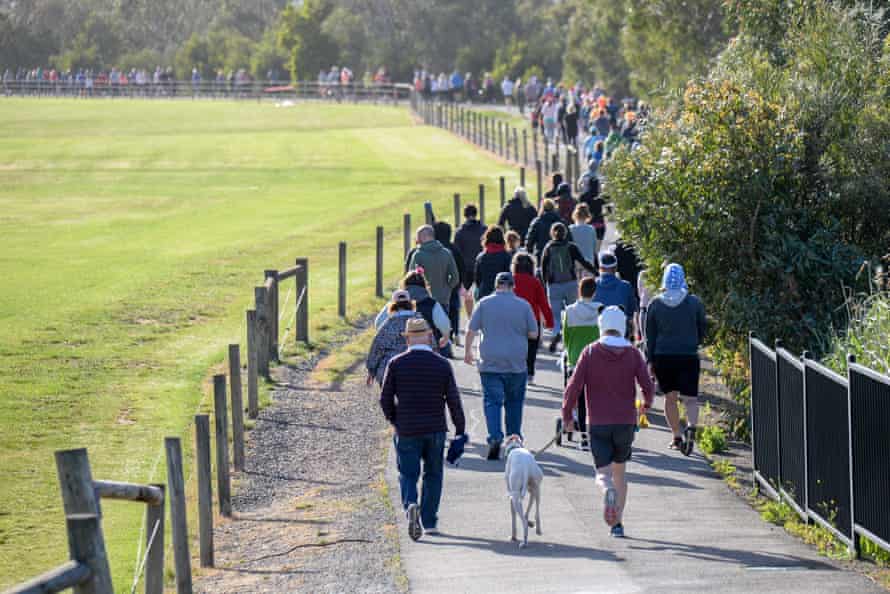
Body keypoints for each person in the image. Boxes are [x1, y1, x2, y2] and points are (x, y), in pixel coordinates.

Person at [562, 306, 654, 537]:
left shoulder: (591, 352)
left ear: (601, 325)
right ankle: (617, 524)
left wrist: (567, 415)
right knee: (621, 473)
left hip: (598, 422)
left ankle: (607, 490)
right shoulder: (633, 353)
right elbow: (647, 384)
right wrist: (647, 403)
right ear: (623, 326)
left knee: (603, 474)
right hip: (625, 422)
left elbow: (573, 387)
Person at [380, 318, 466, 540]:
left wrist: (394, 419)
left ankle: (410, 503)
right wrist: (460, 429)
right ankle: (429, 521)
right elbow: (454, 400)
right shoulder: (442, 364)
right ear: (429, 336)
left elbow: (385, 398)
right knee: (433, 474)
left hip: (407, 427)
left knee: (408, 473)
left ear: (407, 339)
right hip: (435, 428)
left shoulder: (396, 364)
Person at [465, 272, 538, 460]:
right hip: (516, 362)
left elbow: (471, 330)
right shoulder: (523, 305)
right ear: (513, 286)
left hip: (490, 361)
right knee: (514, 402)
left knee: (492, 400)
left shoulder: (484, 304)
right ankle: (513, 440)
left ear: (496, 285)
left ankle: (495, 437)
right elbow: (533, 333)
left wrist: (468, 352)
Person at [645, 264, 707, 455]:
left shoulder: (655, 304)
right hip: (688, 355)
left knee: (670, 399)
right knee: (690, 399)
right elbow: (702, 328)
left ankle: (677, 437)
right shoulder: (694, 302)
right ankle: (691, 426)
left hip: (664, 357)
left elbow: (650, 336)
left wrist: (650, 361)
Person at [561, 277, 603, 447]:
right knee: (592, 398)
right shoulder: (601, 310)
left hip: (575, 359)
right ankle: (592, 430)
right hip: (596, 360)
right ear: (594, 292)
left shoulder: (570, 311)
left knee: (576, 397)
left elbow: (566, 337)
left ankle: (580, 432)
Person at [541, 223, 596, 352]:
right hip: (570, 283)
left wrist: (546, 284)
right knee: (572, 313)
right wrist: (595, 271)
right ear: (565, 233)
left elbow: (543, 268)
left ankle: (557, 334)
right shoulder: (571, 247)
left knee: (555, 316)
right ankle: (571, 340)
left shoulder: (548, 248)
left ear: (552, 233)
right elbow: (583, 262)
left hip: (554, 285)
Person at [376, 270, 450, 350]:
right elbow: (445, 326)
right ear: (424, 285)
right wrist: (445, 339)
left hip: (397, 349)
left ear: (405, 284)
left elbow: (379, 323)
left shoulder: (395, 303)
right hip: (427, 348)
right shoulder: (432, 304)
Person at [512, 253, 553, 383]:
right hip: (532, 319)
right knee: (532, 347)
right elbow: (543, 303)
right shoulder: (535, 282)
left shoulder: (510, 280)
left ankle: (515, 370)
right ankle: (529, 373)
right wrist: (550, 322)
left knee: (515, 346)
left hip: (514, 319)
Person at [366, 290, 420, 385]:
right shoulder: (420, 321)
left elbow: (378, 347)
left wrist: (371, 371)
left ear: (393, 305)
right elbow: (432, 345)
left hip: (391, 370)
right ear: (410, 303)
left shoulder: (389, 323)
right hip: (417, 369)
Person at [407, 225, 459, 314]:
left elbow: (410, 279)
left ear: (422, 237)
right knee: (442, 326)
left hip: (422, 301)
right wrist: (447, 289)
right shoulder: (446, 253)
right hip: (443, 299)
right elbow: (455, 278)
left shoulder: (418, 255)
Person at [593, 251, 637, 338]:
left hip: (598, 334)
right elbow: (631, 313)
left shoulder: (592, 286)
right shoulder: (626, 286)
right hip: (622, 333)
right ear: (616, 268)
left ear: (600, 267)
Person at [434, 221, 464, 346]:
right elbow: (461, 267)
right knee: (454, 310)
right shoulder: (454, 248)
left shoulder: (435, 250)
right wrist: (458, 284)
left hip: (438, 287)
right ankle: (455, 333)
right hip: (452, 285)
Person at [454, 204, 487, 316]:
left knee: (467, 295)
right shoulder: (484, 229)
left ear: (465, 215)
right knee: (483, 294)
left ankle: (470, 318)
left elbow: (457, 252)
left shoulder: (460, 232)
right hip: (482, 265)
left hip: (466, 267)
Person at [474, 226, 512, 300]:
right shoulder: (507, 257)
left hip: (484, 295)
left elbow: (477, 279)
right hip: (502, 295)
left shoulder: (481, 257)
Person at [525, 199, 565, 266]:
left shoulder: (537, 222)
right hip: (559, 256)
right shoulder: (561, 222)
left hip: (541, 255)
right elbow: (569, 239)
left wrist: (529, 255)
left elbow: (529, 241)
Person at [569, 204, 596, 277]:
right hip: (589, 262)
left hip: (575, 262)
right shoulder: (591, 229)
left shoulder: (570, 229)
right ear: (587, 215)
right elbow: (595, 248)